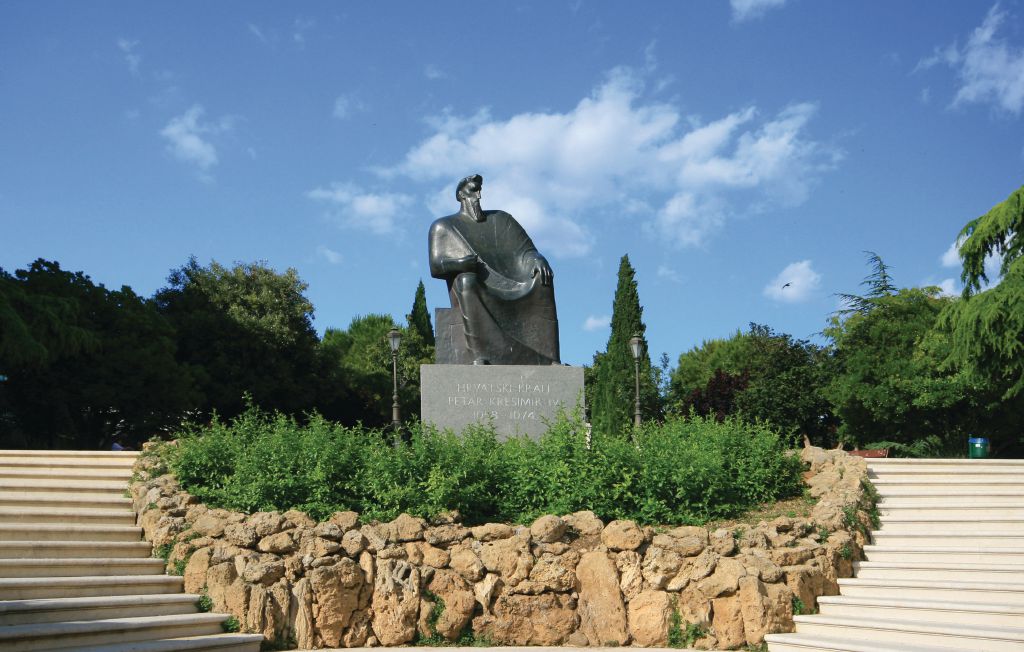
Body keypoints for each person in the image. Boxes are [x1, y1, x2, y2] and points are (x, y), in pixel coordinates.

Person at [428, 174, 560, 365]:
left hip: (512, 282)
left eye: (480, 191)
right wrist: (461, 263)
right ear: (460, 195)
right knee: (466, 280)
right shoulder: (443, 226)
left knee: (542, 277)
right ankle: (480, 355)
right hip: (475, 285)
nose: (478, 196)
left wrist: (537, 258)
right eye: (473, 191)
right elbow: (436, 266)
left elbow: (527, 251)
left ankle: (549, 358)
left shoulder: (502, 219)